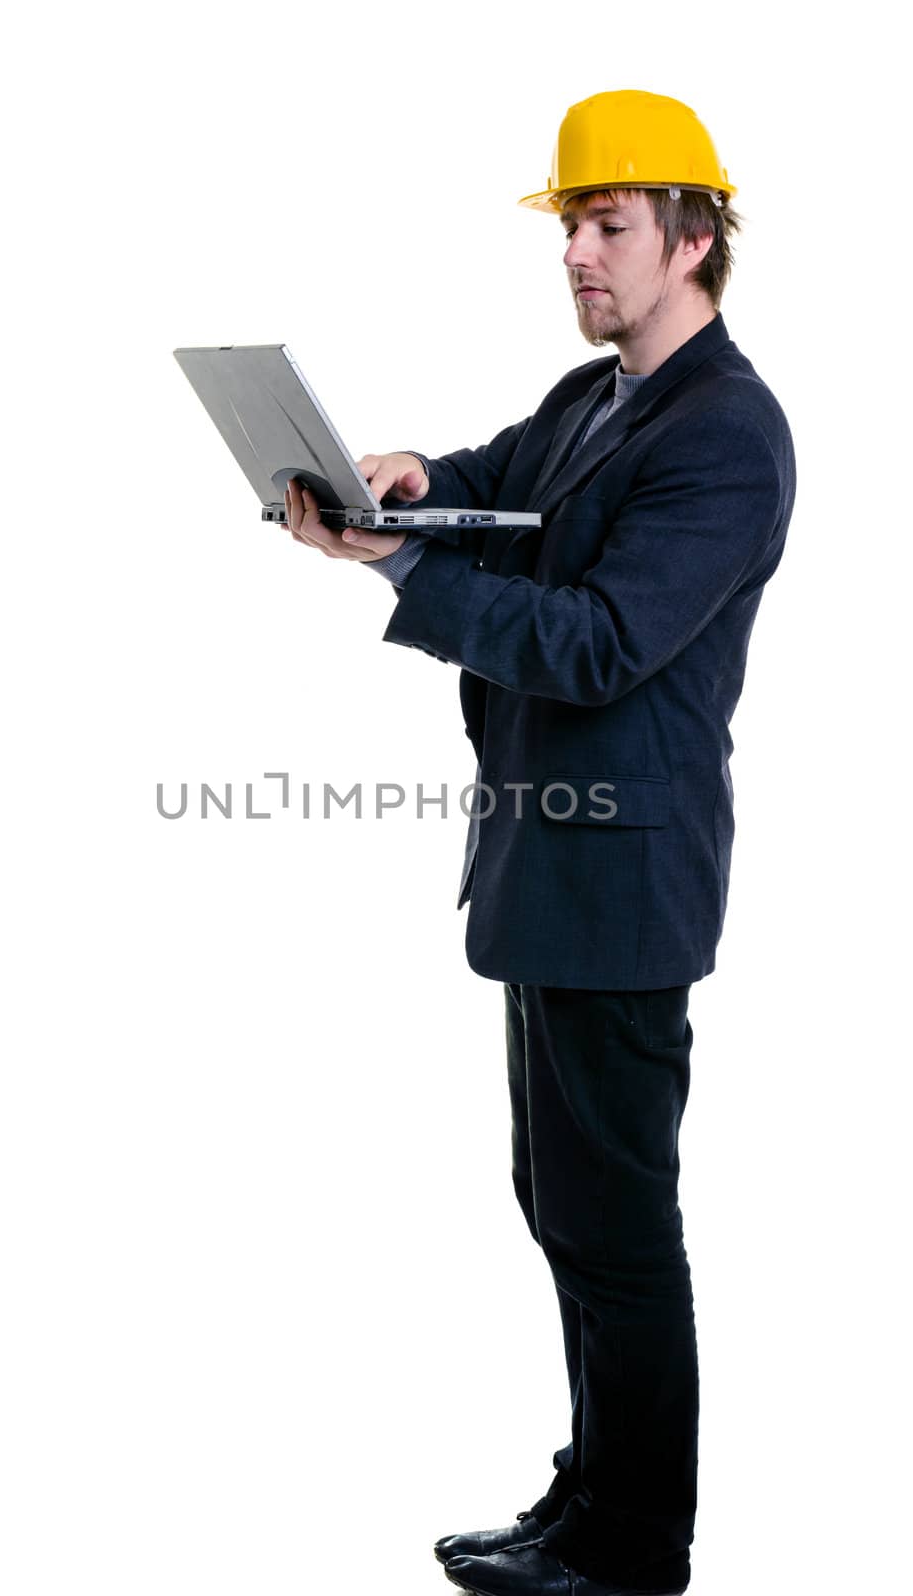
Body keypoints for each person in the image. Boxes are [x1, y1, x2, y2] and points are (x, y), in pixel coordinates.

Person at [280, 89, 796, 1596]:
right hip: (550, 865)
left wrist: (393, 572)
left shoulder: (730, 434)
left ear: (696, 239)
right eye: (570, 224)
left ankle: (635, 1547)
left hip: (624, 878)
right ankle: (588, 1499)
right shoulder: (598, 400)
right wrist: (411, 489)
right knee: (560, 1203)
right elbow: (495, 479)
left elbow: (598, 643)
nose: (577, 251)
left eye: (608, 224)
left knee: (620, 1225)